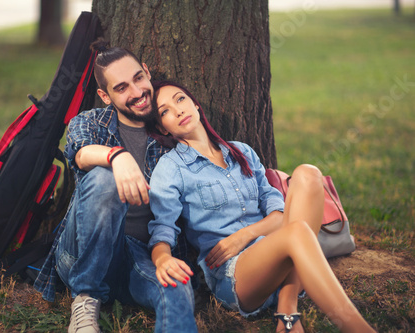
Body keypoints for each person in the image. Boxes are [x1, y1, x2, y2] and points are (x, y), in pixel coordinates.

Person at [145, 80, 376, 333]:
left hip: (277, 249)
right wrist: (162, 258)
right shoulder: (171, 168)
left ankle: (287, 306)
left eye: (180, 99)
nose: (177, 110)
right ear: (162, 128)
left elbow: (277, 212)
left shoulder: (240, 151)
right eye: (165, 111)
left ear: (196, 105)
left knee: (309, 173)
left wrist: (244, 235)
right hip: (236, 272)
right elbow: (162, 228)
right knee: (297, 231)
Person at [34, 44, 197, 333]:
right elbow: (81, 154)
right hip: (82, 252)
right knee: (104, 178)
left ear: (147, 72)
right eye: (122, 88)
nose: (136, 92)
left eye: (137, 78)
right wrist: (116, 156)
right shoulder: (89, 122)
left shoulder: (168, 126)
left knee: (178, 287)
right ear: (105, 96)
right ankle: (86, 297)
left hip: (142, 257)